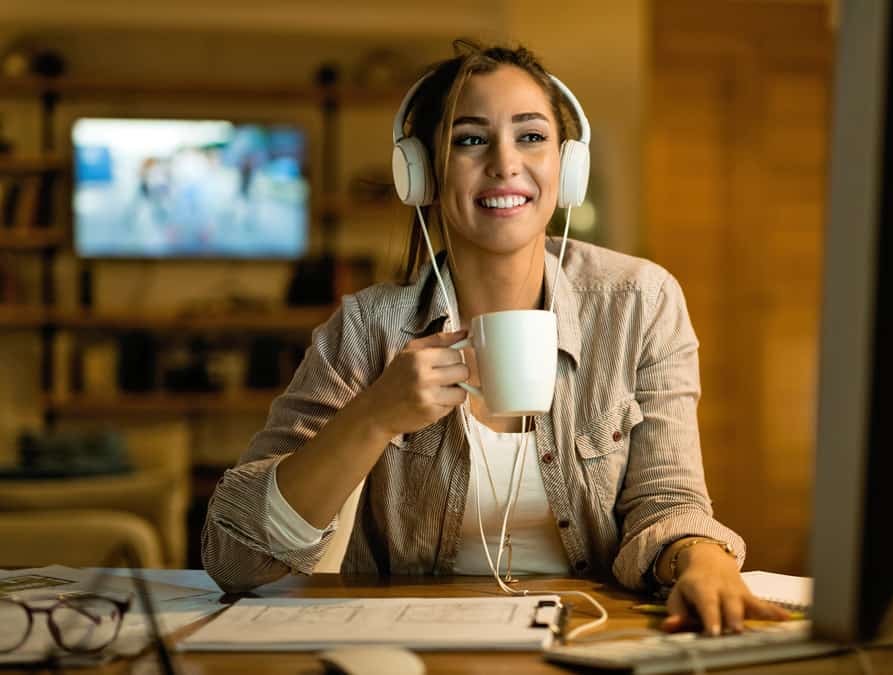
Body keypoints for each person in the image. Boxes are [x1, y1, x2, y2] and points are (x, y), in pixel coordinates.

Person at [201, 39, 789, 637]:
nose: (505, 163)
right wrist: (374, 416)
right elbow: (233, 556)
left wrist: (704, 561)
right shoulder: (367, 329)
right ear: (422, 172)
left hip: (596, 635)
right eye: (470, 139)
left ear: (568, 166)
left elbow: (668, 501)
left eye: (531, 136)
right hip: (414, 646)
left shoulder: (640, 301)